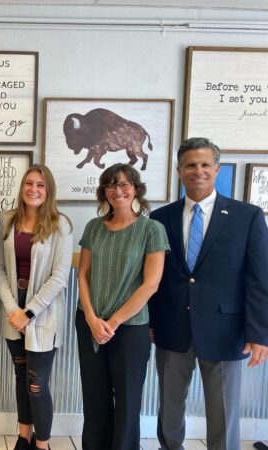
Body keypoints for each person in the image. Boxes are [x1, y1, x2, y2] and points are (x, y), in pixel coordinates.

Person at [149, 137, 268, 450]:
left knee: (223, 411)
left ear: (216, 169)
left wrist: (259, 333)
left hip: (226, 329)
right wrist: (152, 321)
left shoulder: (247, 216)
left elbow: (259, 279)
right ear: (179, 170)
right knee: (169, 407)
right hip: (172, 327)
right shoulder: (160, 218)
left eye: (204, 164)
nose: (197, 171)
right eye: (190, 165)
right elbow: (154, 277)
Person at [76, 163, 169, 450]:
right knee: (95, 399)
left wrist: (112, 322)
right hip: (90, 323)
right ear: (104, 192)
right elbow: (83, 275)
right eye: (111, 185)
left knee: (128, 402)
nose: (118, 190)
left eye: (125, 184)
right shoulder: (93, 227)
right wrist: (91, 318)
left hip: (129, 328)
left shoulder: (152, 229)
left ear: (136, 189)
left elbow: (150, 285)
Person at [0, 165, 73, 450]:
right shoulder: (6, 220)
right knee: (21, 376)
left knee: (37, 383)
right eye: (29, 183)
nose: (34, 189)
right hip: (12, 309)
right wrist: (13, 309)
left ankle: (42, 444)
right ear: (22, 187)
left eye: (40, 185)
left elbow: (60, 276)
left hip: (44, 312)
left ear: (48, 190)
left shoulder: (60, 224)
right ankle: (23, 437)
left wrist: (28, 312)